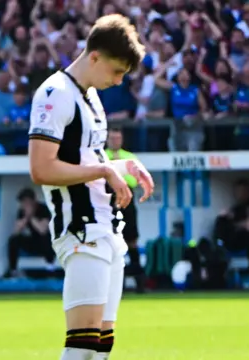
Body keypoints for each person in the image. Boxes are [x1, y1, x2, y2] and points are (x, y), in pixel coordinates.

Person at [27, 15, 155, 360]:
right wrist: (102, 168)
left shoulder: (92, 97)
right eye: (116, 71)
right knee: (81, 346)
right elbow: (41, 168)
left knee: (100, 348)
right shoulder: (55, 94)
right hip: (80, 229)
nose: (118, 81)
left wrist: (123, 165)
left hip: (108, 228)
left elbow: (89, 159)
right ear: (94, 56)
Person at [104, 127, 145, 293]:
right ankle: (113, 286)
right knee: (109, 243)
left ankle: (139, 283)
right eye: (112, 138)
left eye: (117, 138)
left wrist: (113, 173)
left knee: (132, 241)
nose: (115, 141)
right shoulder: (100, 155)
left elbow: (134, 181)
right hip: (107, 205)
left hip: (127, 205)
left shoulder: (130, 157)